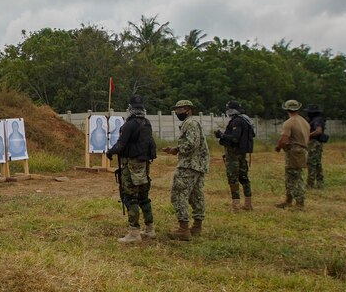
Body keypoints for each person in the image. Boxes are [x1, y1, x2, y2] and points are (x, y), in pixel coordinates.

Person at [106, 95, 158, 243]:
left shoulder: (129, 125)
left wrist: (110, 152)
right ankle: (150, 229)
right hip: (144, 165)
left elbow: (121, 145)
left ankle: (134, 232)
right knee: (144, 198)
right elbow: (152, 146)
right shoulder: (147, 123)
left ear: (130, 109)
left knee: (130, 198)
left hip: (130, 165)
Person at [163, 100, 209, 241]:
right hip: (197, 166)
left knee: (178, 195)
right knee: (196, 196)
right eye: (176, 110)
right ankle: (196, 226)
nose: (177, 113)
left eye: (180, 110)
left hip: (188, 165)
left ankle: (183, 229)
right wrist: (175, 149)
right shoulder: (191, 123)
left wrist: (178, 149)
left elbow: (191, 144)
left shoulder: (190, 123)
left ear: (189, 110)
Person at [214, 100, 255, 211]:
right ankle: (248, 204)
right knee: (244, 178)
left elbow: (235, 138)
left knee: (233, 179)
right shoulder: (245, 120)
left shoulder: (236, 121)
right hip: (241, 154)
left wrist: (221, 135)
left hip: (233, 154)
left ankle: (236, 206)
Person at [275, 100, 310, 209]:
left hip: (294, 151)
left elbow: (284, 139)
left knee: (295, 177)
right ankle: (288, 200)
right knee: (291, 177)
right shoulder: (304, 121)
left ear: (287, 109)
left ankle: (299, 203)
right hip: (302, 149)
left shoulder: (289, 122)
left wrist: (278, 147)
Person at [306, 104, 328, 188]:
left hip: (314, 143)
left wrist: (307, 135)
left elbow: (318, 131)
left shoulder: (317, 120)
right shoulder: (319, 119)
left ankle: (310, 183)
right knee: (317, 163)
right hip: (317, 143)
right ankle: (320, 182)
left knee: (311, 163)